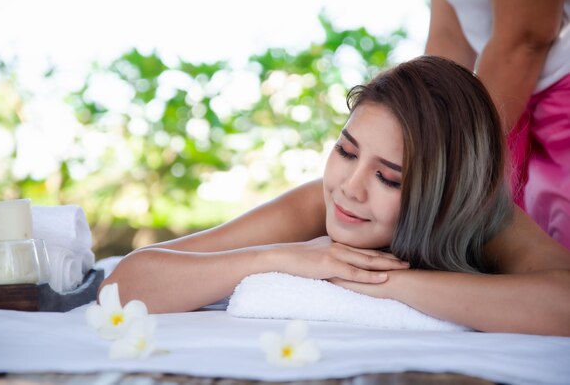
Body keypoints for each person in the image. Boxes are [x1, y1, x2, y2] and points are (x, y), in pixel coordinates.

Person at [104, 56, 570, 337]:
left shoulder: (487, 219)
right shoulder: (316, 204)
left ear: (448, 199)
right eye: (346, 151)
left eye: (389, 178)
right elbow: (125, 285)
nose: (350, 186)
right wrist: (285, 259)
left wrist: (366, 278)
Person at [425, 0, 570, 248]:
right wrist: (421, 129)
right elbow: (449, 39)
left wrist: (446, 161)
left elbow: (525, 39)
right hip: (502, 102)